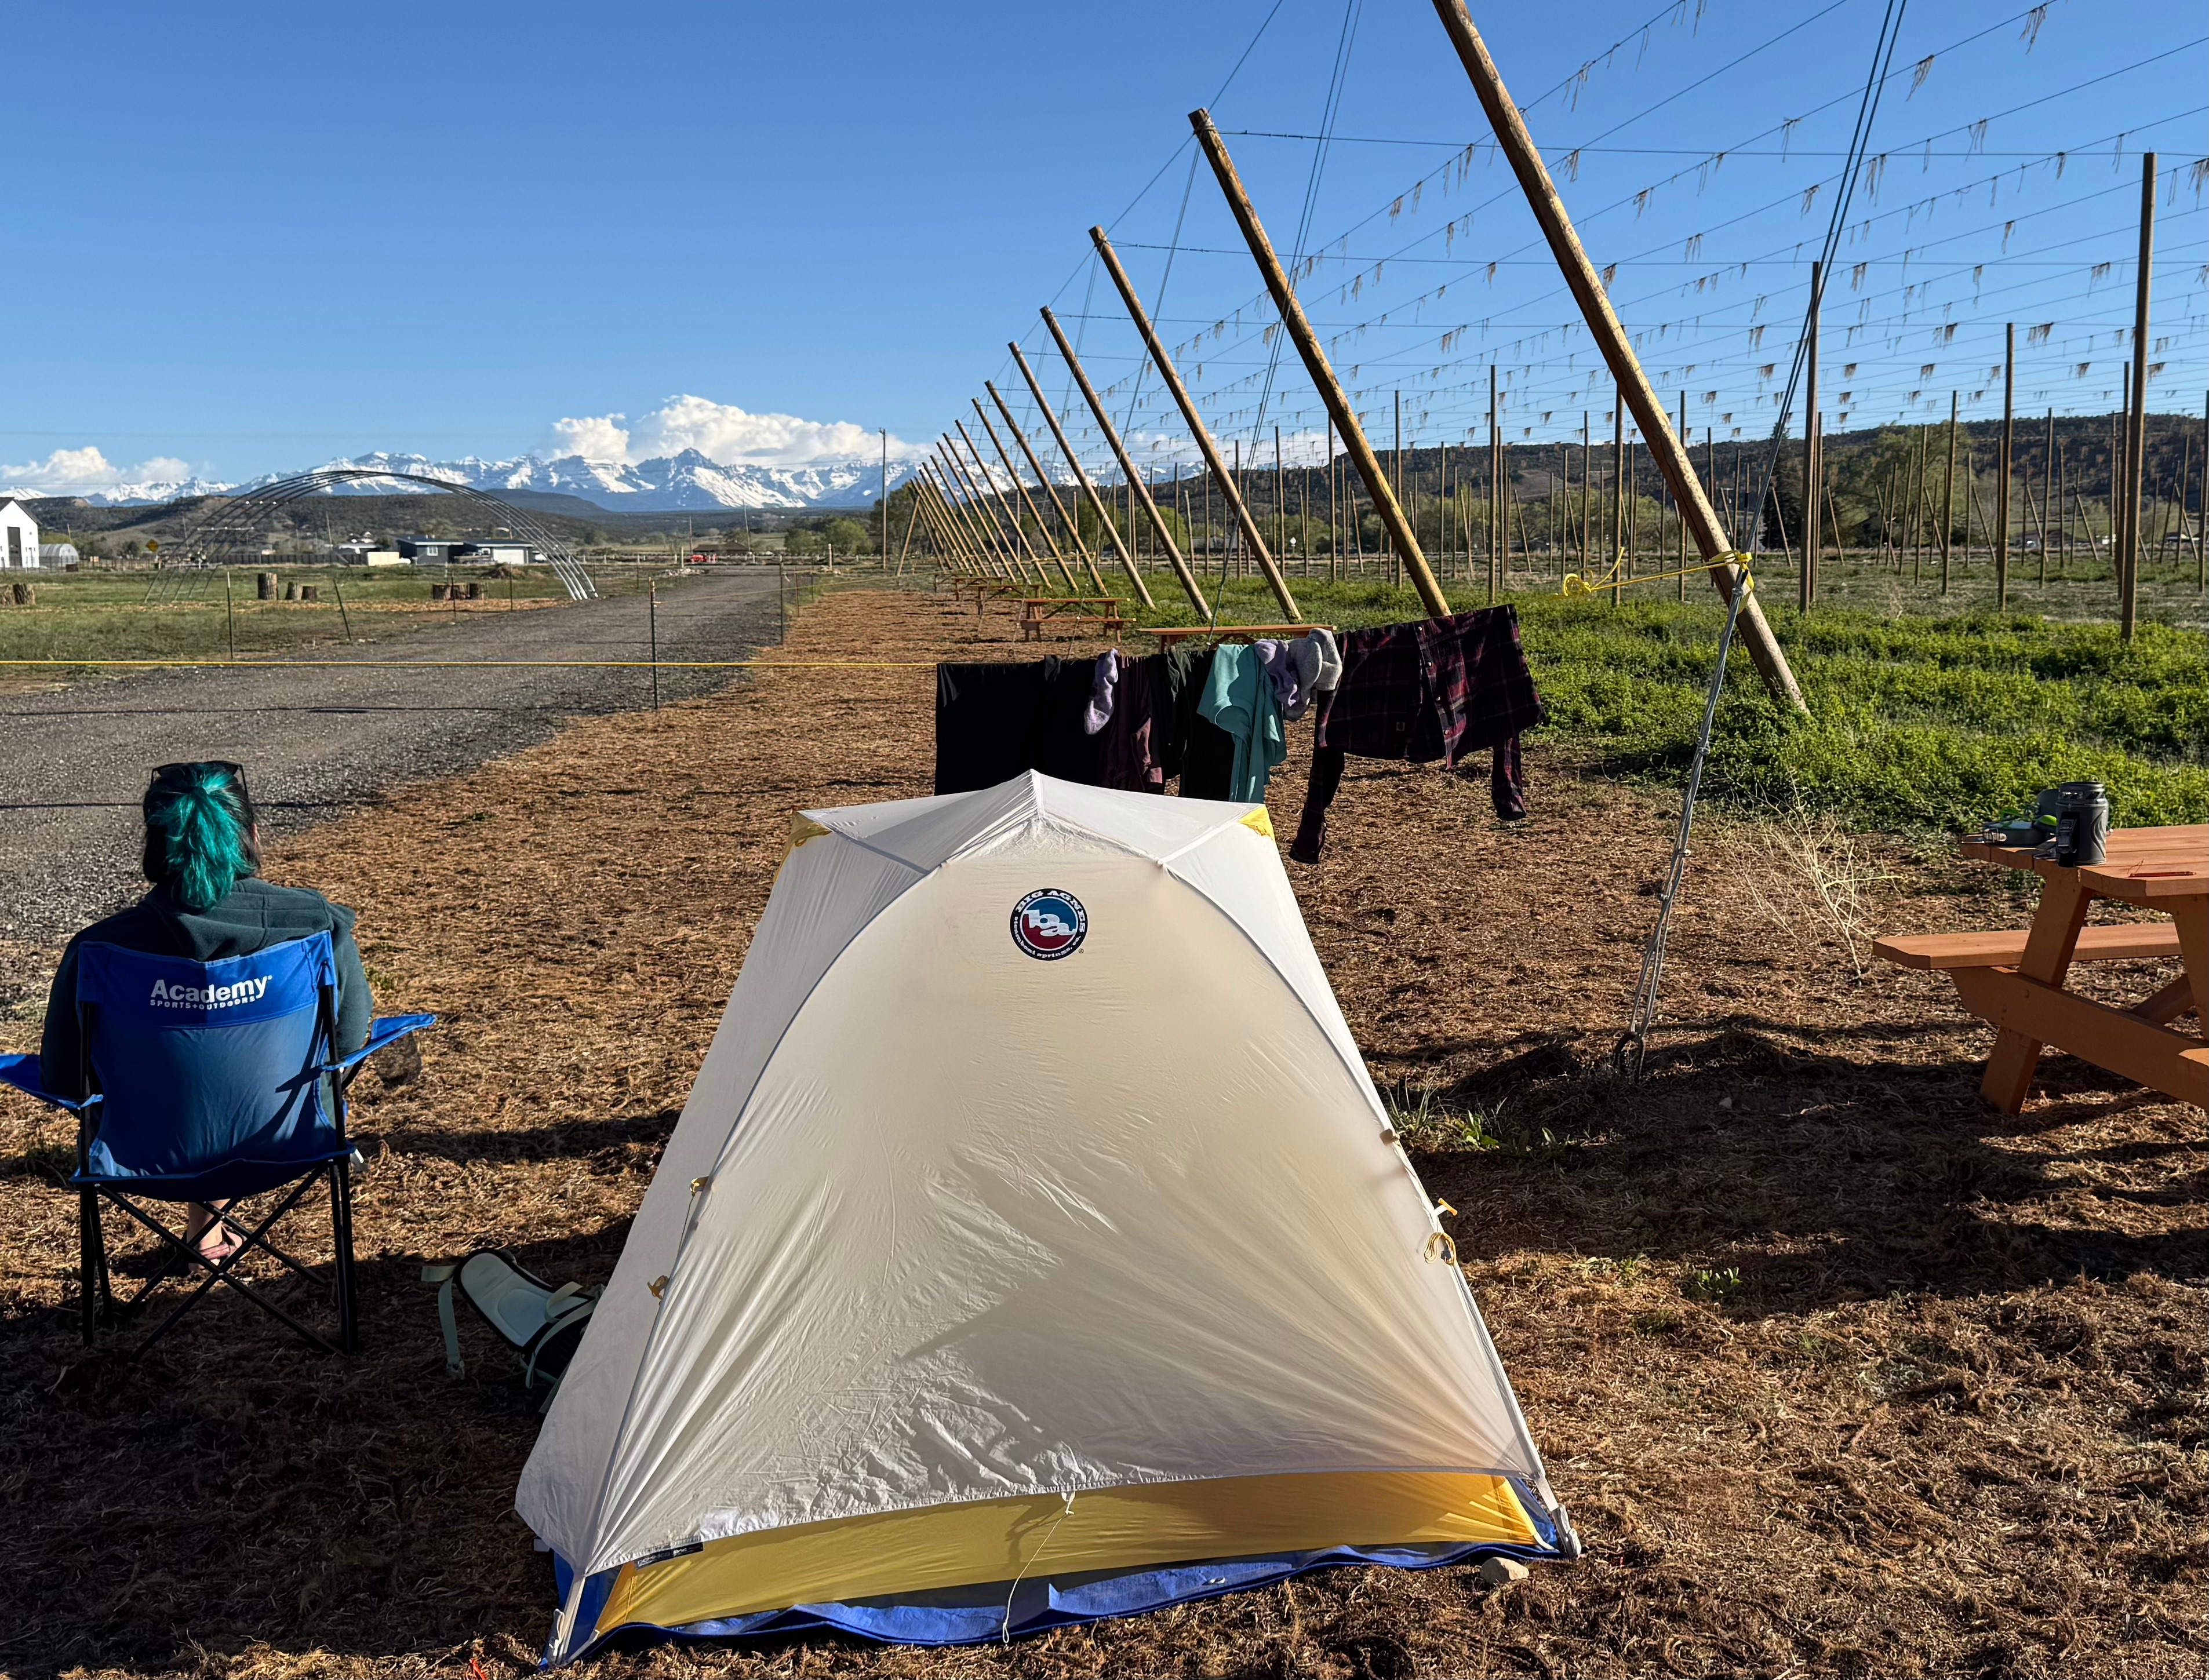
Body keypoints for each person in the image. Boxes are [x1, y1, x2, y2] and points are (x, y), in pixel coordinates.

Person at [41, 762, 374, 1262]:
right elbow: (349, 1039)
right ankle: (208, 1230)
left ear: (155, 848)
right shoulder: (314, 926)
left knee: (196, 1082)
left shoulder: (100, 950)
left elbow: (64, 1075)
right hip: (289, 1142)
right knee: (228, 1071)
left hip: (143, 1154)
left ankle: (204, 1232)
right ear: (253, 835)